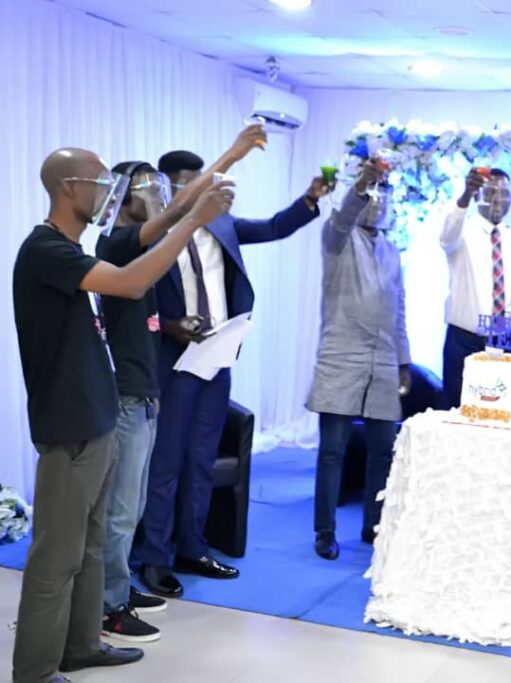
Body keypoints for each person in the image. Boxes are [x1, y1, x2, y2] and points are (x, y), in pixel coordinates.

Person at [12, 147, 233, 683]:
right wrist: (193, 222)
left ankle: (82, 644)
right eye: (98, 182)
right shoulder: (45, 250)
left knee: (88, 547)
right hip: (70, 426)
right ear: (69, 186)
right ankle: (36, 669)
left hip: (97, 417)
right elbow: (133, 281)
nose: (108, 192)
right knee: (56, 554)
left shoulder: (68, 249)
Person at [136, 147, 332, 598]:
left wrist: (309, 200)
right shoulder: (154, 235)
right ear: (169, 186)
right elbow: (138, 299)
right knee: (167, 463)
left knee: (201, 459)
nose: (202, 186)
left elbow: (272, 228)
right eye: (190, 180)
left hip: (217, 358)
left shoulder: (222, 226)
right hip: (174, 361)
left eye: (202, 178)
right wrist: (170, 327)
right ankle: (155, 557)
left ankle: (193, 547)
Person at [96, 126, 263, 643]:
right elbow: (182, 212)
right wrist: (232, 154)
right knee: (132, 499)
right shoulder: (119, 239)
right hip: (137, 384)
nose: (159, 198)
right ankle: (120, 593)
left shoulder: (147, 235)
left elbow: (180, 211)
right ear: (123, 199)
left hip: (158, 379)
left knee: (165, 477)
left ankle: (160, 566)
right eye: (149, 189)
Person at [307, 161, 411, 559]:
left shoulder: (393, 251)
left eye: (384, 194)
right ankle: (325, 531)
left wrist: (404, 362)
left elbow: (400, 310)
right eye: (372, 194)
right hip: (341, 356)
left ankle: (374, 526)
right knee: (333, 450)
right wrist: (364, 182)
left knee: (384, 450)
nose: (377, 202)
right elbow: (345, 212)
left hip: (384, 361)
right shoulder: (338, 237)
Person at [440, 168, 511, 408]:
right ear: (479, 194)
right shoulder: (463, 232)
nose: (497, 199)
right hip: (464, 339)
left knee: (500, 412)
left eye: (504, 194)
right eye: (491, 192)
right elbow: (446, 236)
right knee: (459, 412)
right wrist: (465, 195)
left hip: (505, 337)